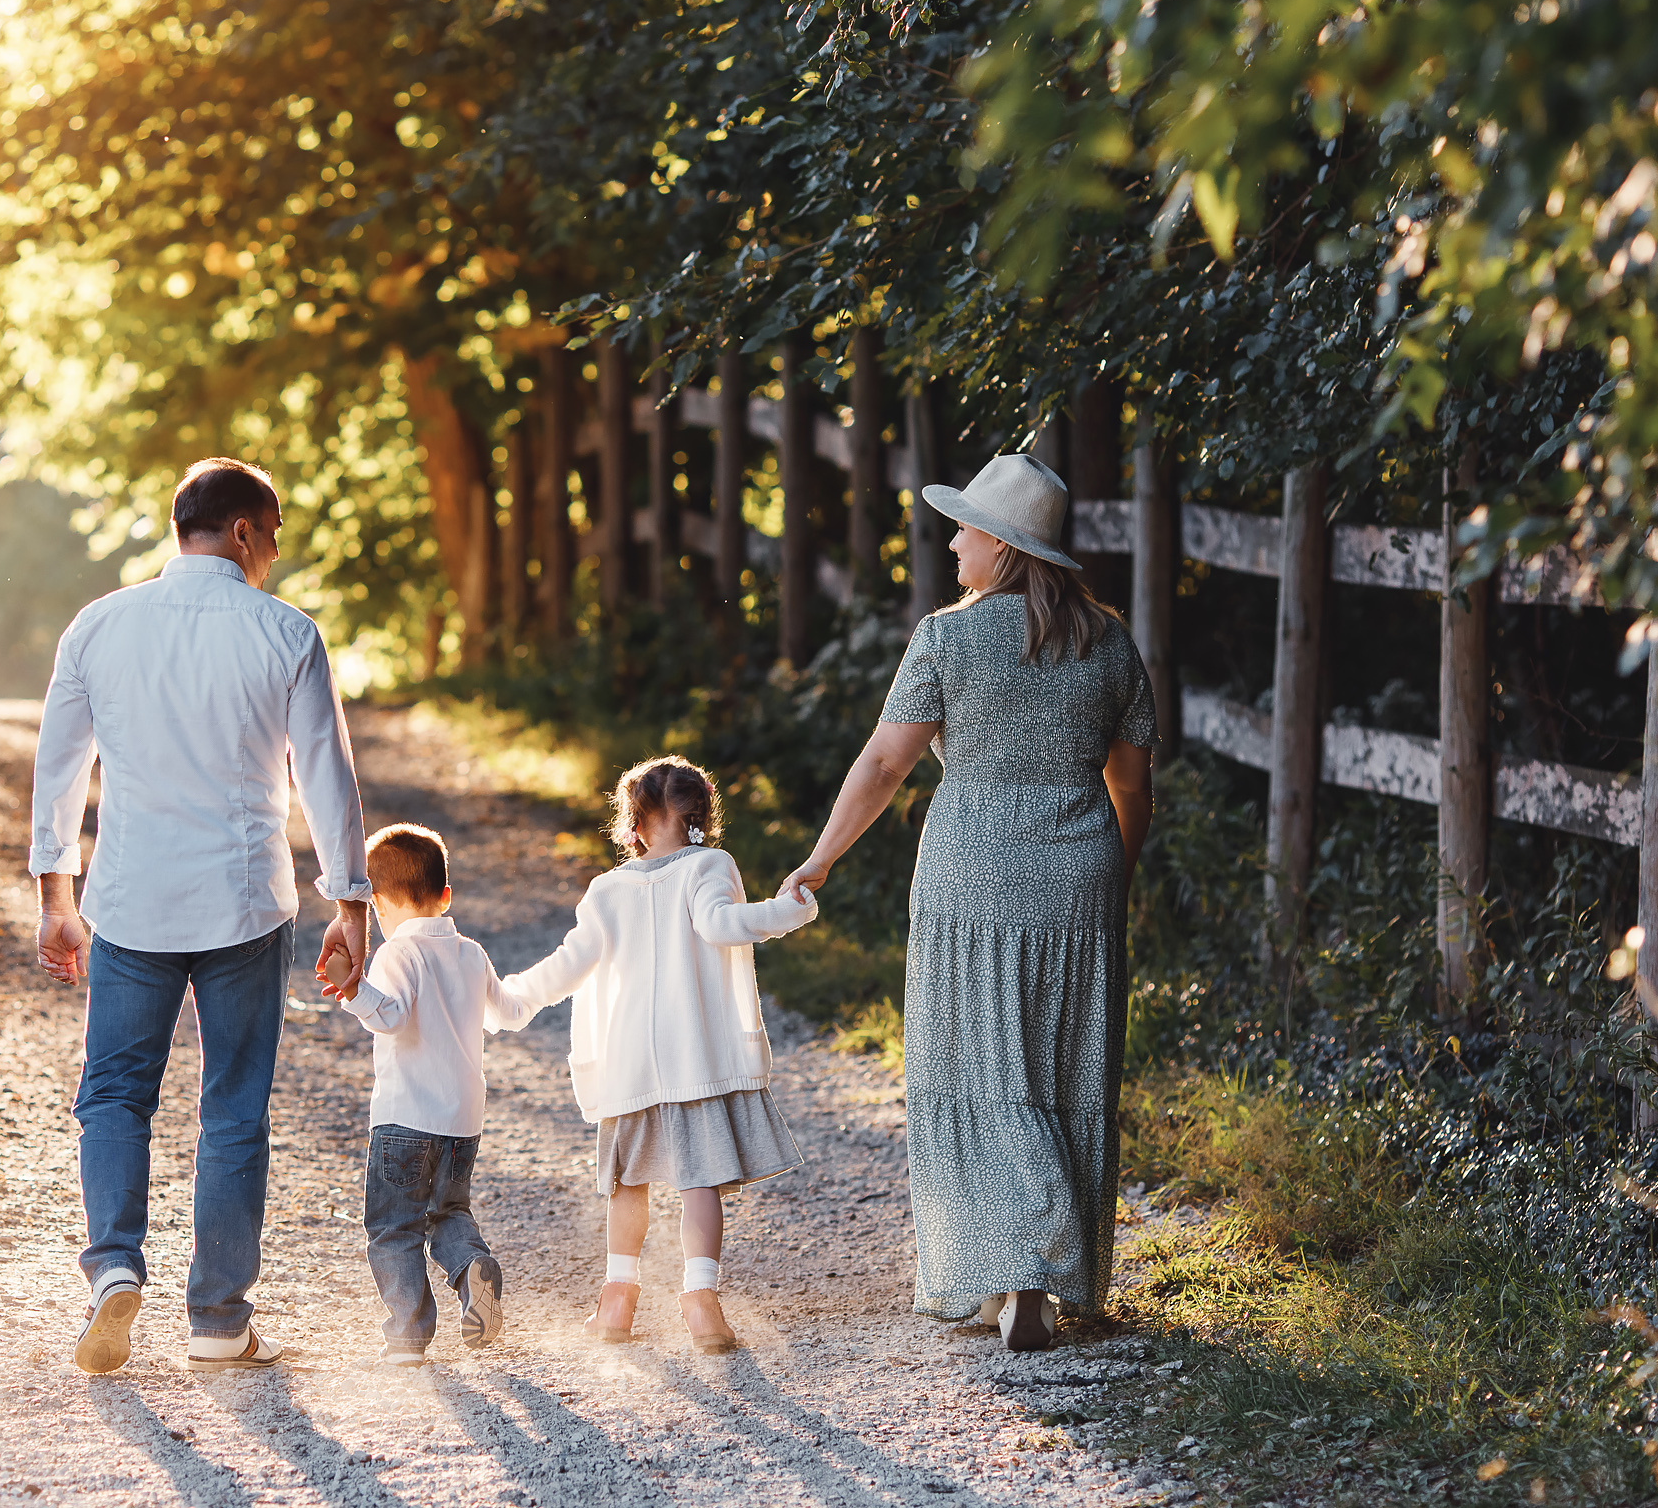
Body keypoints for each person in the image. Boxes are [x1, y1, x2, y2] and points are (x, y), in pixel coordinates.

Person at [780, 451, 1155, 1353]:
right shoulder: (1110, 643)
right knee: (1062, 1067)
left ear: (1005, 546)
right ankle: (1036, 1273)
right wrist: (1115, 871)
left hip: (969, 869)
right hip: (1078, 870)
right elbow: (1133, 785)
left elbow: (884, 763)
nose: (952, 545)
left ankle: (1007, 1270)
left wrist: (821, 858)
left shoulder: (946, 638)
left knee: (978, 1066)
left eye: (966, 530)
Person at [29, 457, 374, 1376]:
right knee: (233, 1108)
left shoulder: (98, 625)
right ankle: (219, 1320)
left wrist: (55, 895)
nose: (274, 556)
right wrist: (351, 904)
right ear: (244, 531)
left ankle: (113, 1267)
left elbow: (59, 768)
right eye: (274, 537)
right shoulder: (287, 632)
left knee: (114, 1093)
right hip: (244, 902)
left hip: (131, 899)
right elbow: (327, 778)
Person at [499, 756, 819, 1355]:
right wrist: (790, 908)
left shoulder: (607, 890)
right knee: (700, 1181)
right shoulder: (709, 865)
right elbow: (724, 925)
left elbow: (568, 964)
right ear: (698, 817)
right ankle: (701, 1301)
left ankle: (617, 1299)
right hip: (693, 1059)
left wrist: (509, 998)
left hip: (630, 1067)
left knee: (628, 1184)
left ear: (635, 823)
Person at [320, 822, 538, 1367]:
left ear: (378, 904)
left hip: (405, 1119)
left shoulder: (397, 952)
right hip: (462, 1121)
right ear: (446, 895)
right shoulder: (471, 953)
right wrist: (555, 978)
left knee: (393, 1227)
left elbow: (390, 1017)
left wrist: (354, 991)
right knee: (448, 1212)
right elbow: (509, 1012)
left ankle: (407, 1337)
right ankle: (472, 1268)